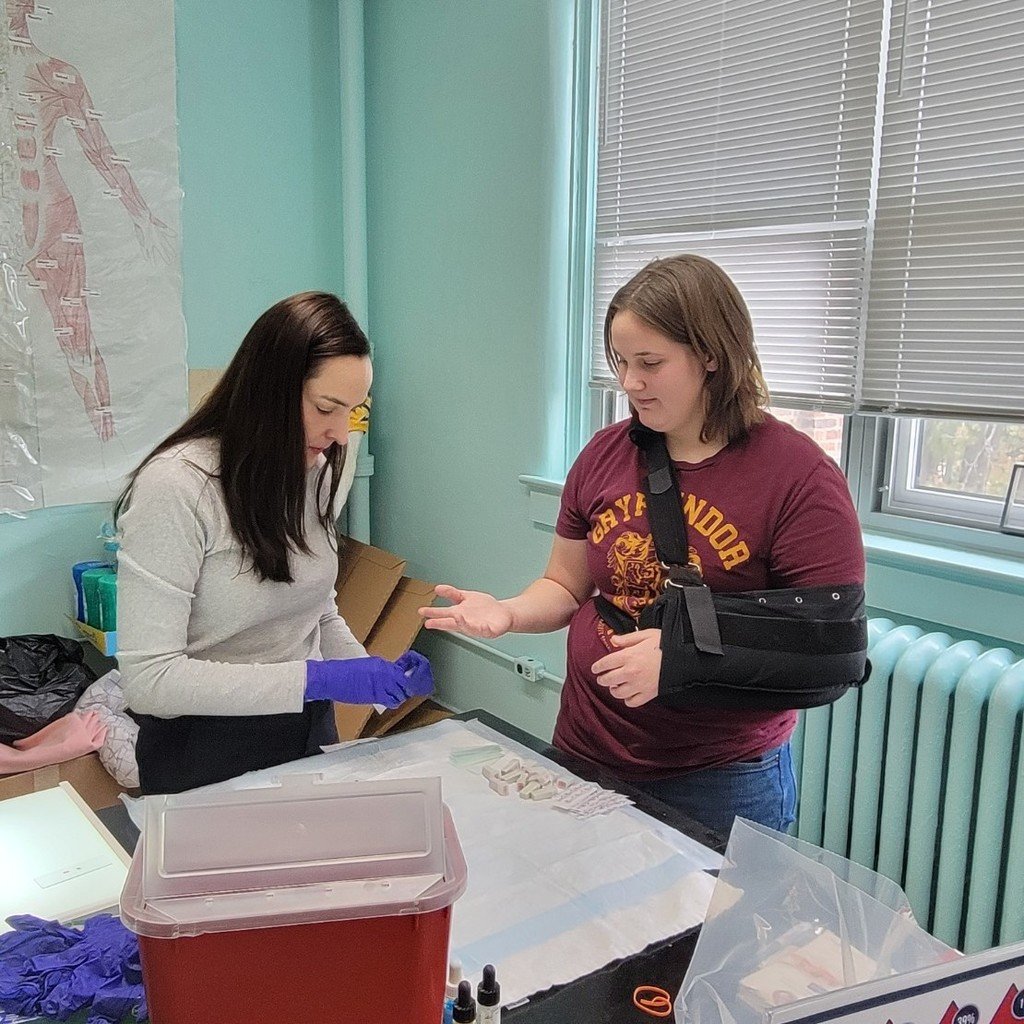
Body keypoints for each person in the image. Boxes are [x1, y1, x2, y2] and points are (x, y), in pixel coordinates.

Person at [420, 255, 864, 835]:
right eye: (622, 362)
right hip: (585, 744)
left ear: (711, 355)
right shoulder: (605, 455)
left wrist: (684, 658)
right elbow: (565, 584)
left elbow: (833, 650)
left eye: (650, 363)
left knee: (712, 927)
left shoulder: (798, 477)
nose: (629, 382)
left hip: (717, 775)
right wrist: (507, 613)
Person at [115, 292, 433, 794]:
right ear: (269, 390)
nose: (340, 434)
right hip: (202, 751)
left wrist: (371, 676)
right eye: (326, 408)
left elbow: (316, 608)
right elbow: (150, 681)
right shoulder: (176, 487)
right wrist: (316, 679)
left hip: (305, 731)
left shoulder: (311, 467)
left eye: (352, 411)